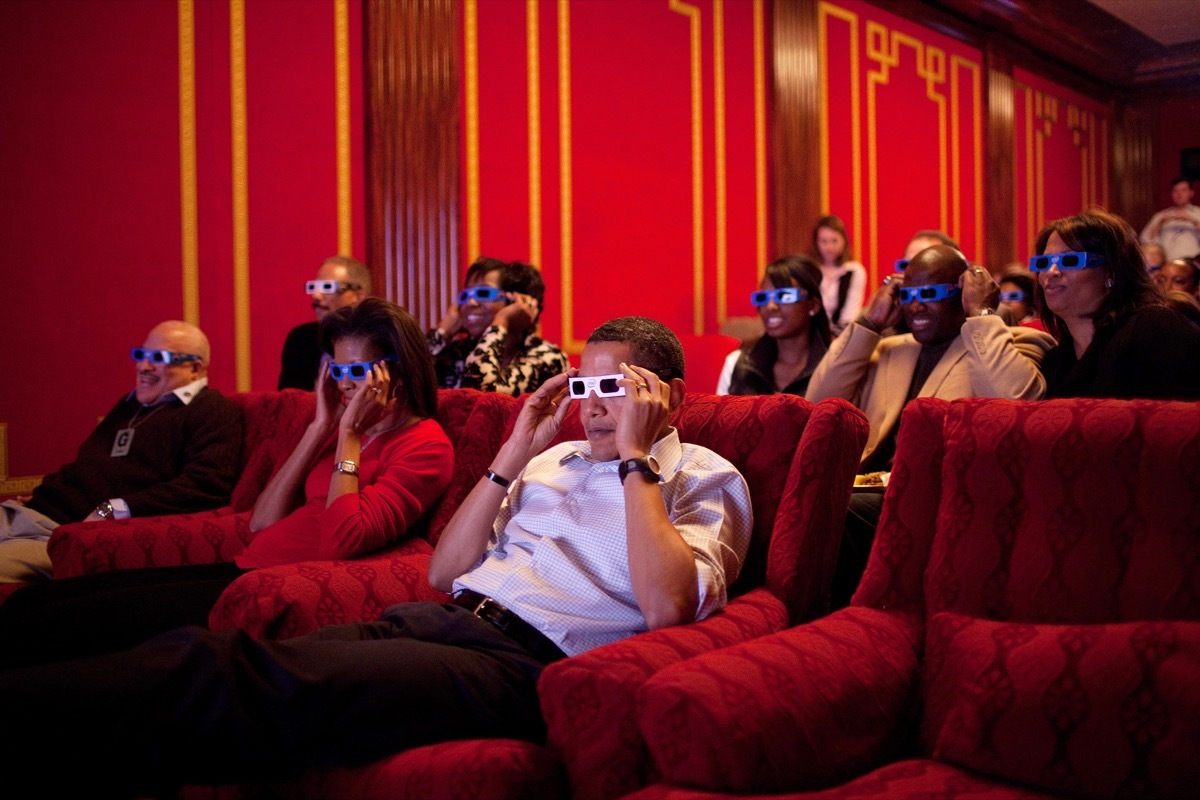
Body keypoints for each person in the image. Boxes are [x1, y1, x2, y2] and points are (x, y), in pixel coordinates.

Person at [0, 317, 754, 797]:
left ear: (669, 395)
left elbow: (664, 605)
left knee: (238, 679)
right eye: (584, 385)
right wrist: (517, 449)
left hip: (520, 662)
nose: (591, 403)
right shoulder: (549, 461)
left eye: (614, 387)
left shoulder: (703, 476)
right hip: (437, 618)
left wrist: (634, 458)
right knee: (219, 651)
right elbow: (442, 572)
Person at [0, 298, 454, 666]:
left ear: (398, 369)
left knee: (66, 625)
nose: (345, 386)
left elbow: (343, 539)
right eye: (337, 371)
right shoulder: (340, 430)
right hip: (244, 563)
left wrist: (350, 438)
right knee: (40, 603)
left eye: (357, 371)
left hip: (264, 586)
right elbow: (262, 521)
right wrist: (320, 429)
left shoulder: (424, 445)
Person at [806, 245, 1055, 608]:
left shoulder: (1015, 343)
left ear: (964, 291)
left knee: (837, 510)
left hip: (940, 497)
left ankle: (838, 620)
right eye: (908, 295)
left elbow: (1018, 408)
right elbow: (820, 403)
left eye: (932, 294)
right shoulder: (889, 348)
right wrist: (869, 324)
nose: (916, 306)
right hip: (869, 486)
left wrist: (983, 314)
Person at [0, 321, 242, 583]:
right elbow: (88, 463)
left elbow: (206, 487)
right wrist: (44, 494)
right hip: (27, 514)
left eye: (158, 358)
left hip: (61, 535)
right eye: (141, 355)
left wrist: (113, 509)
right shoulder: (131, 404)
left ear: (195, 368)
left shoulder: (211, 409)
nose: (144, 367)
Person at [1034, 209, 1200, 399]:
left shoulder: (1155, 328)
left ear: (1112, 271)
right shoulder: (1054, 362)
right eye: (1043, 263)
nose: (1051, 272)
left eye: (1070, 260)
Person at [429, 258, 569, 396]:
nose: (470, 302)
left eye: (483, 293)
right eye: (465, 295)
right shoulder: (454, 353)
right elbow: (409, 381)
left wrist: (501, 322)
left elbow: (481, 396)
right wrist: (443, 332)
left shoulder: (548, 356)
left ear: (516, 302)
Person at [716, 254, 832, 396]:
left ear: (813, 306)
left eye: (784, 296)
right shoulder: (738, 364)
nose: (770, 306)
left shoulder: (833, 366)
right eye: (762, 298)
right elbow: (722, 418)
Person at [278, 255, 371, 390]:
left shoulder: (378, 339)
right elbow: (288, 402)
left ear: (358, 297)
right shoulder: (300, 339)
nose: (316, 296)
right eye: (314, 287)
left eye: (327, 287)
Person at [811, 214, 866, 335]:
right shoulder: (811, 270)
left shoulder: (854, 271)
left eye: (834, 241)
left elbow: (849, 316)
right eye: (824, 241)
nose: (829, 247)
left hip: (842, 334)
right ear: (816, 243)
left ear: (844, 241)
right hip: (813, 333)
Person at [1140, 177, 1200, 262]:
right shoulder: (1160, 216)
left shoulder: (1198, 213)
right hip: (1167, 263)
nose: (1179, 194)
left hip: (1193, 264)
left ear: (1191, 193)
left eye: (1183, 190)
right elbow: (1145, 240)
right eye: (1175, 191)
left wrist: (1193, 221)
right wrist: (1159, 224)